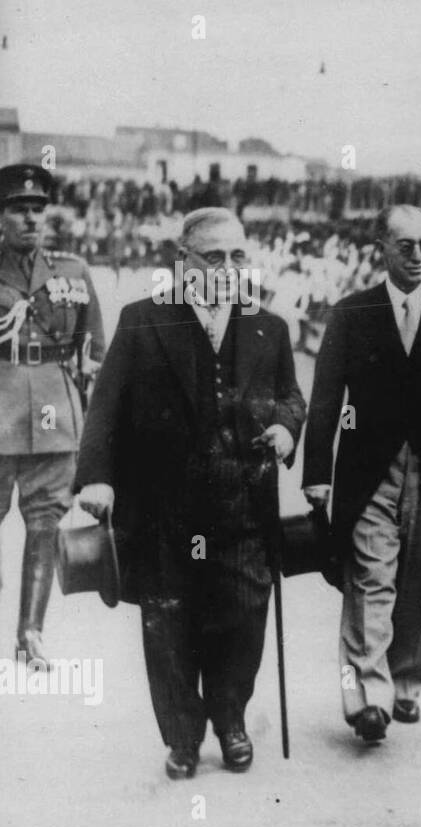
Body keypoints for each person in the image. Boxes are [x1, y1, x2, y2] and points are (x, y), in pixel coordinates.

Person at [75, 207, 305, 778]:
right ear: (183, 262)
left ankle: (230, 721)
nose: (228, 268)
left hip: (243, 501)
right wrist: (98, 477)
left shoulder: (267, 326)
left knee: (244, 615)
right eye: (214, 257)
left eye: (238, 256)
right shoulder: (142, 321)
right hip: (164, 507)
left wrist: (285, 427)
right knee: (169, 621)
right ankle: (182, 736)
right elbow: (106, 408)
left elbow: (291, 397)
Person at [302, 205, 421, 744]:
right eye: (407, 246)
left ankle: (407, 682)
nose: (419, 256)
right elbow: (324, 400)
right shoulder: (351, 314)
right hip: (370, 470)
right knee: (370, 578)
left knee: (420, 578)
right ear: (383, 249)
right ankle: (368, 697)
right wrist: (316, 472)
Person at [0, 164, 105, 664]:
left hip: (55, 418)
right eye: (19, 210)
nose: (30, 218)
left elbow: (95, 353)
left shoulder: (72, 272)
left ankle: (30, 633)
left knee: (45, 524)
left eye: (37, 209)